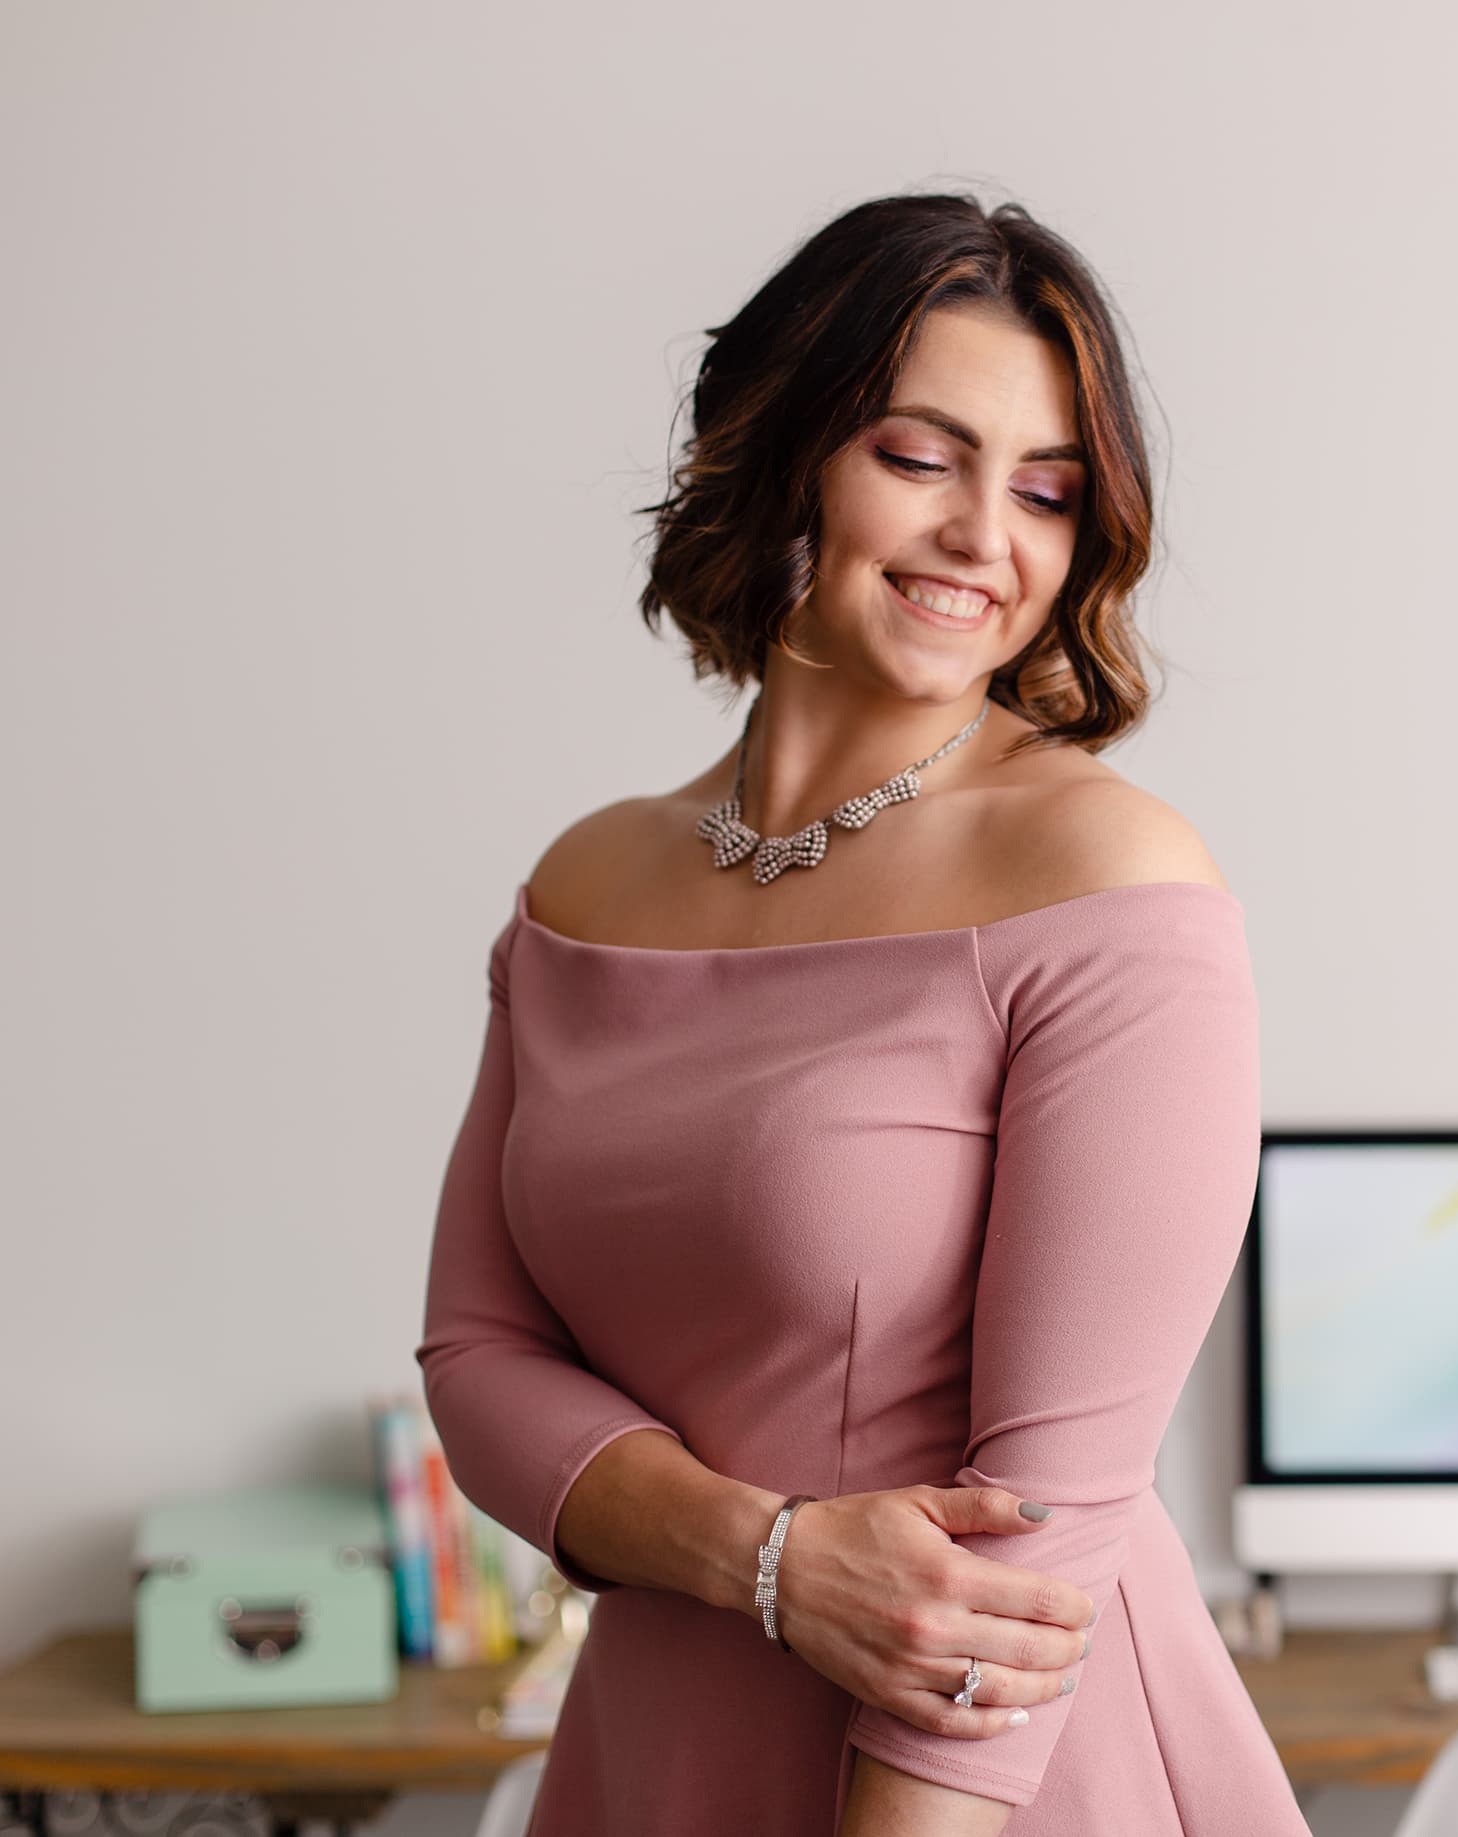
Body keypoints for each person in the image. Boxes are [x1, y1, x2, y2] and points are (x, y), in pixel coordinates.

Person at [414, 193, 1309, 1836]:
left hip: (984, 1783)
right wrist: (766, 1559)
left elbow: (1037, 1535)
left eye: (1046, 489)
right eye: (921, 456)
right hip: (658, 1751)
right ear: (777, 453)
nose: (989, 535)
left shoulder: (1107, 876)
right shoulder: (583, 887)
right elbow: (478, 1359)